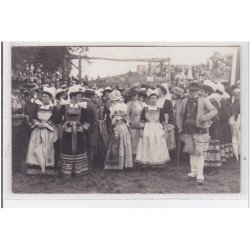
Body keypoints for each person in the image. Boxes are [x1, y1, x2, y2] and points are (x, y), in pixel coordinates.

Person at [177, 82, 218, 184]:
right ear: (188, 90)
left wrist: (204, 118)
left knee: (199, 152)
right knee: (191, 151)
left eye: (194, 90)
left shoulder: (204, 100)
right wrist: (179, 126)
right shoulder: (185, 101)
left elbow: (214, 111)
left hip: (199, 130)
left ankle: (200, 174)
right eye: (190, 90)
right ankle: (193, 172)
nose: (192, 92)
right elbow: (179, 114)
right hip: (187, 130)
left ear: (198, 91)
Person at [57, 85, 89, 177]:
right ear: (73, 96)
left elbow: (88, 118)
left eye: (80, 96)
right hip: (68, 131)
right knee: (67, 148)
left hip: (78, 131)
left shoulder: (82, 106)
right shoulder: (65, 106)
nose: (80, 98)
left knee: (79, 148)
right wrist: (62, 126)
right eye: (79, 96)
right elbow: (58, 118)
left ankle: (78, 171)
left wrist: (83, 127)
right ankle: (67, 171)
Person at [26, 87, 58, 175]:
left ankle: (48, 165)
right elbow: (32, 117)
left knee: (48, 146)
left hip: (48, 130)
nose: (44, 98)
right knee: (35, 145)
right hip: (38, 129)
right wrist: (38, 124)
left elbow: (55, 119)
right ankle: (35, 165)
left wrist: (46, 125)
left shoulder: (53, 108)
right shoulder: (37, 106)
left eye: (46, 97)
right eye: (43, 96)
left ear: (50, 98)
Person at [136, 89, 170, 167]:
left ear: (157, 99)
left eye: (155, 98)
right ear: (149, 99)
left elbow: (163, 120)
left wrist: (165, 129)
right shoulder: (145, 109)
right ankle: (146, 162)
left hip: (157, 128)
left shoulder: (159, 109)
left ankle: (157, 161)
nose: (153, 100)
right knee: (147, 142)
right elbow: (142, 120)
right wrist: (141, 130)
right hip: (147, 127)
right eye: (151, 98)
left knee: (157, 142)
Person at [105, 90, 133, 170]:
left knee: (117, 142)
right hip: (123, 126)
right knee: (122, 143)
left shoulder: (115, 107)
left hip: (118, 126)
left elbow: (115, 119)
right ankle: (123, 163)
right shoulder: (123, 105)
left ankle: (118, 165)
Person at [200, 80, 221, 174]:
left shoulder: (213, 101)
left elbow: (214, 113)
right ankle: (207, 165)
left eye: (203, 91)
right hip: (207, 125)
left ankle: (214, 167)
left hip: (212, 126)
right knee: (206, 145)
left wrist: (207, 122)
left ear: (207, 92)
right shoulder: (205, 100)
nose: (201, 93)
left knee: (212, 145)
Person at [81, 88, 100, 170]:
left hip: (80, 128)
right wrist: (89, 129)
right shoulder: (92, 105)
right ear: (92, 96)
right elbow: (96, 121)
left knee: (82, 148)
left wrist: (83, 127)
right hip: (91, 130)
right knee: (91, 148)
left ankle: (81, 167)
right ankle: (89, 168)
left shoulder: (79, 104)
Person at [216, 82, 234, 162]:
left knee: (223, 140)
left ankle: (224, 156)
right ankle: (226, 155)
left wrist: (221, 119)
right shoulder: (222, 102)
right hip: (224, 123)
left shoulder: (222, 102)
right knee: (225, 139)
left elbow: (226, 114)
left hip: (223, 124)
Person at [12, 86, 28, 174]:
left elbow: (24, 113)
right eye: (14, 91)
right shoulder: (6, 100)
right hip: (11, 126)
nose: (16, 92)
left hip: (20, 126)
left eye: (18, 91)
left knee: (18, 147)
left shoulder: (22, 101)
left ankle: (17, 168)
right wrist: (14, 116)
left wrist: (23, 116)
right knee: (11, 146)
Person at [126, 90, 144, 162]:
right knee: (133, 139)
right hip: (133, 122)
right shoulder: (129, 104)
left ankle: (140, 157)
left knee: (140, 139)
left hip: (141, 122)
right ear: (131, 97)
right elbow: (127, 115)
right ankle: (133, 158)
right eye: (133, 96)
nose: (135, 97)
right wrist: (129, 122)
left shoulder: (141, 103)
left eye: (136, 95)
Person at [230, 86, 240, 161]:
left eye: (238, 94)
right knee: (235, 136)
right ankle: (237, 153)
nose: (236, 96)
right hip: (235, 120)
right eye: (235, 94)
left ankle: (239, 153)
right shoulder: (234, 102)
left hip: (239, 119)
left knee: (238, 136)